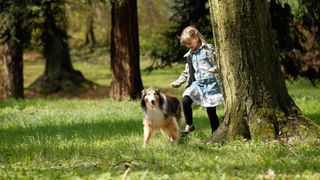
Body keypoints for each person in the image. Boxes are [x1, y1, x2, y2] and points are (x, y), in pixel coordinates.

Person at [169, 26, 224, 137]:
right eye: (186, 45)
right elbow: (186, 72)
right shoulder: (190, 55)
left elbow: (222, 61)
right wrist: (178, 82)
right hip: (198, 84)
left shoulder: (208, 49)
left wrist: (216, 68)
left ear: (196, 38)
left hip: (211, 84)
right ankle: (189, 125)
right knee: (185, 100)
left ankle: (215, 133)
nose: (188, 46)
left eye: (189, 43)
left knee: (211, 111)